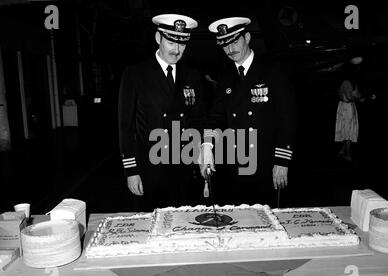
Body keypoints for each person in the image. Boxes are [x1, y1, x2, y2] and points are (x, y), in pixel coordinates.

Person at [199, 17, 297, 206]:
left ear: (248, 37)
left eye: (235, 41)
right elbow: (215, 118)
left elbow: (288, 119)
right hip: (236, 166)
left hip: (267, 164)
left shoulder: (273, 71)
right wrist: (207, 146)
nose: (230, 49)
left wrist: (282, 161)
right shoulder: (226, 76)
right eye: (225, 44)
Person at [118, 14, 205, 211]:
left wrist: (201, 153)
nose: (176, 50)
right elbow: (126, 126)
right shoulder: (135, 74)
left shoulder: (192, 75)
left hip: (183, 166)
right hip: (149, 169)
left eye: (182, 44)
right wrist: (131, 171)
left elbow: (198, 119)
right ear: (158, 38)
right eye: (171, 42)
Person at [335, 57, 364, 163]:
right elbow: (349, 96)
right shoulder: (347, 81)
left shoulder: (346, 81)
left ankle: (342, 151)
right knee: (348, 131)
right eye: (356, 68)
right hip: (347, 107)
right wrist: (359, 98)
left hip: (345, 107)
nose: (358, 70)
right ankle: (347, 155)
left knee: (348, 129)